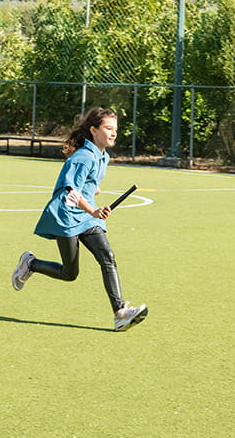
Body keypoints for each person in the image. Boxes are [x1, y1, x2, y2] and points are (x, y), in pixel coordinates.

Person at [10, 107, 148, 332]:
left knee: (107, 257)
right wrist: (93, 210)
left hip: (86, 217)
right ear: (93, 130)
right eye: (108, 128)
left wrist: (93, 192)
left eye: (115, 129)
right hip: (66, 215)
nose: (113, 133)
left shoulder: (103, 156)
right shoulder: (83, 157)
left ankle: (120, 313)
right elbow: (71, 191)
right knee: (70, 273)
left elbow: (86, 185)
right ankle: (30, 263)